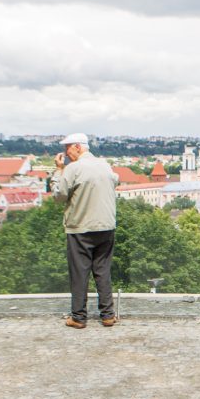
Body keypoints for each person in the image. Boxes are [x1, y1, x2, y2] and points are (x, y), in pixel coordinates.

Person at [50, 133, 119, 329]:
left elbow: (58, 196)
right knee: (102, 270)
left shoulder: (73, 169)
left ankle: (79, 317)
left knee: (80, 273)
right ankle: (108, 315)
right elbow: (116, 180)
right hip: (106, 226)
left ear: (78, 148)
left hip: (80, 227)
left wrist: (58, 171)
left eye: (68, 148)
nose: (66, 153)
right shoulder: (104, 165)